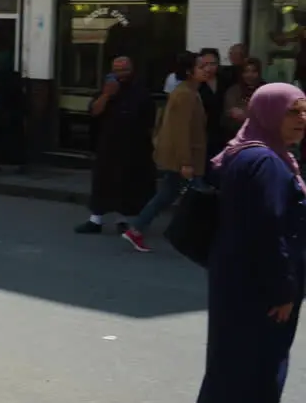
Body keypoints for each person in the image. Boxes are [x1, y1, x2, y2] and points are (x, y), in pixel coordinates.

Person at [186, 83, 306, 403]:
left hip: (236, 278)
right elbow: (269, 233)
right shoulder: (266, 162)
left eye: (304, 111)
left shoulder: (246, 151)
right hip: (259, 290)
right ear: (269, 113)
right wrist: (282, 291)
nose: (302, 119)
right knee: (258, 374)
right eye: (293, 111)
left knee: (230, 368)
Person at [122, 51, 211, 253]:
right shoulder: (185, 94)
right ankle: (192, 238)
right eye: (201, 66)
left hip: (186, 156)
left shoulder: (189, 91)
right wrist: (185, 161)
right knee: (197, 197)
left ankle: (137, 229)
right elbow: (180, 130)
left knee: (168, 195)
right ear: (190, 71)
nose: (206, 70)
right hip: (186, 158)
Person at [76, 57, 158, 234]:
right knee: (102, 183)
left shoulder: (140, 92)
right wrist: (106, 95)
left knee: (127, 184)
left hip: (132, 145)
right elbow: (94, 112)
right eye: (116, 70)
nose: (120, 75)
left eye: (124, 70)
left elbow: (149, 121)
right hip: (108, 144)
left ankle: (122, 219)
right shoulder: (106, 89)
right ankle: (95, 220)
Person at [0, 50, 27, 173]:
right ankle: (18, 163)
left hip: (1, 115)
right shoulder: (16, 78)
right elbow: (21, 96)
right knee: (16, 141)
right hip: (14, 116)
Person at [223, 57, 264, 140]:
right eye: (246, 71)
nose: (250, 75)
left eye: (254, 71)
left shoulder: (266, 90)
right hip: (236, 137)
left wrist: (244, 114)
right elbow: (230, 114)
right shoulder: (234, 91)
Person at [199, 48, 224, 160]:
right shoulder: (197, 85)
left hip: (224, 133)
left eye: (213, 64)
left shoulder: (225, 81)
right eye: (205, 64)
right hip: (203, 134)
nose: (209, 68)